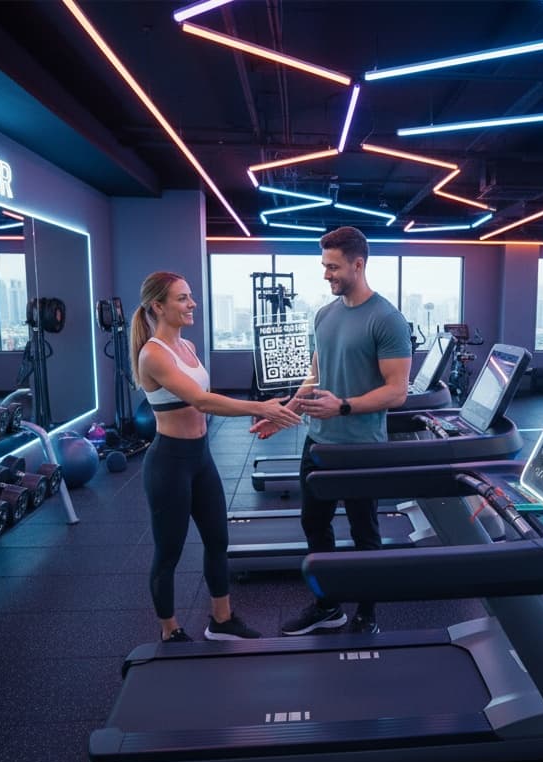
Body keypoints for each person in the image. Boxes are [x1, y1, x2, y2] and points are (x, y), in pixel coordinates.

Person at [251, 226, 411, 635]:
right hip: (317, 444)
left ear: (358, 264)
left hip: (362, 450)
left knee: (364, 534)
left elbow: (397, 392)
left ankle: (367, 613)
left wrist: (343, 406)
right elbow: (315, 373)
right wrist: (286, 411)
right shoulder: (325, 313)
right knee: (314, 525)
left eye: (333, 267)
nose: (326, 274)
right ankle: (327, 606)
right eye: (324, 266)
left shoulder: (387, 319)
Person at [133, 270, 301, 642]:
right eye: (182, 298)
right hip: (169, 464)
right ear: (158, 306)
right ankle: (170, 630)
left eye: (190, 296)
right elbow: (202, 400)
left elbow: (206, 403)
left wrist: (261, 411)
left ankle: (221, 619)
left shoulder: (188, 347)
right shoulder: (153, 355)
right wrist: (260, 408)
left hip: (200, 458)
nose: (192, 304)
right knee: (169, 552)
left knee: (217, 540)